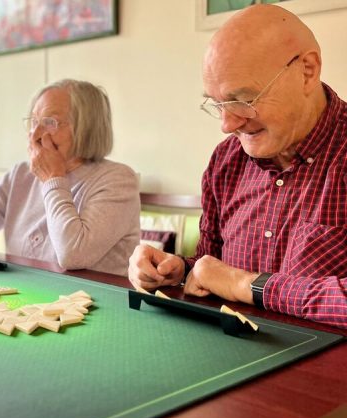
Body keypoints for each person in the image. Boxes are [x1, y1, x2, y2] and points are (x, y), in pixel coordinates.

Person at [128, 4, 347, 329]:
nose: (227, 125)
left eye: (243, 100)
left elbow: (232, 281)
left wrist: (246, 285)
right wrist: (180, 271)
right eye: (218, 104)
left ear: (307, 70)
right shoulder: (226, 162)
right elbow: (213, 268)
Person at [0, 79, 140, 276]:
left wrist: (53, 178)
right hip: (25, 293)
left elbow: (72, 255)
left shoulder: (119, 180)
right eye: (34, 122)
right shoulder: (20, 175)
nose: (35, 134)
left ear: (86, 128)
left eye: (49, 122)